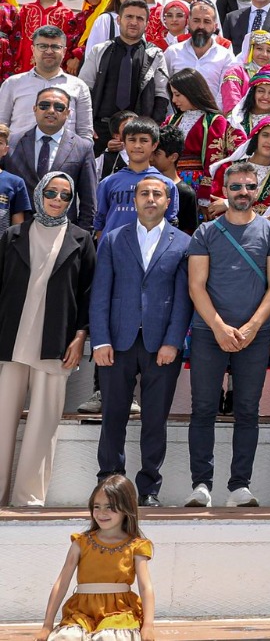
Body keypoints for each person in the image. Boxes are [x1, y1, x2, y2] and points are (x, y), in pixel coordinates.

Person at [184, 160, 270, 508]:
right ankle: (201, 484)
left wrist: (252, 327)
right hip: (208, 332)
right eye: (236, 187)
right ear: (225, 191)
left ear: (257, 191)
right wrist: (218, 327)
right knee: (203, 408)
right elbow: (196, 286)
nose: (243, 192)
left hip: (253, 336)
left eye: (249, 186)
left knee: (247, 409)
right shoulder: (205, 233)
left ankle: (239, 486)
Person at [89, 176, 190, 506]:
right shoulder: (114, 238)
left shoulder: (182, 242)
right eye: (144, 193)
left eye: (157, 194)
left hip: (161, 344)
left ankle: (149, 488)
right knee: (113, 415)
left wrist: (173, 341)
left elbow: (183, 299)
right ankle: (109, 483)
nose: (150, 199)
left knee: (155, 418)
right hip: (118, 341)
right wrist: (100, 340)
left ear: (167, 201)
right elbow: (101, 292)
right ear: (134, 201)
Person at [0, 172, 95, 506]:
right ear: (39, 193)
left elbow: (87, 293)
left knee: (43, 424)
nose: (57, 199)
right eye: (51, 192)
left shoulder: (82, 239)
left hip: (56, 341)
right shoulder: (12, 235)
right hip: (9, 342)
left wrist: (80, 335)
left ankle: (28, 499)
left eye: (65, 196)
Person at [35, 474, 156, 641]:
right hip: (81, 612)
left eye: (110, 507)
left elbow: (145, 587)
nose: (101, 513)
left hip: (119, 613)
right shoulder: (80, 542)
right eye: (97, 506)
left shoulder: (137, 545)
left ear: (126, 508)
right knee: (67, 637)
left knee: (110, 638)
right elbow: (61, 583)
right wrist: (47, 625)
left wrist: (148, 625)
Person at [2, 88, 98, 230]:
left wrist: (80, 238)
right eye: (44, 105)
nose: (51, 111)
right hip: (16, 233)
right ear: (34, 109)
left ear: (68, 113)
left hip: (62, 234)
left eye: (59, 107)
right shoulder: (12, 142)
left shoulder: (82, 147)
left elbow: (89, 200)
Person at [81, 0, 171, 148]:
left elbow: (161, 95)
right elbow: (84, 89)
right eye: (129, 17)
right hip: (99, 131)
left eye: (140, 18)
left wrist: (152, 130)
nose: (134, 22)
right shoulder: (99, 50)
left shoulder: (155, 55)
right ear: (118, 20)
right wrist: (87, 126)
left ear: (147, 24)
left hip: (139, 135)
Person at [0, 26, 94, 139]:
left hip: (64, 155)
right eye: (43, 46)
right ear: (33, 49)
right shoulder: (12, 84)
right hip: (18, 154)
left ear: (64, 51)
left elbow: (85, 133)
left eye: (55, 47)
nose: (49, 51)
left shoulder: (79, 86)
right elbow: (2, 126)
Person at [91, 117, 179, 235]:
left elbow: (170, 224)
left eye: (143, 140)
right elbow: (100, 223)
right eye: (132, 140)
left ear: (154, 145)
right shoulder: (108, 183)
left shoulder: (167, 184)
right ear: (124, 143)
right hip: (114, 251)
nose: (137, 145)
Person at [163, 0, 232, 99]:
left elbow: (226, 93)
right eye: (196, 20)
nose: (201, 26)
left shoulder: (226, 57)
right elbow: (163, 89)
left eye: (207, 21)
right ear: (188, 23)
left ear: (215, 27)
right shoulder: (173, 52)